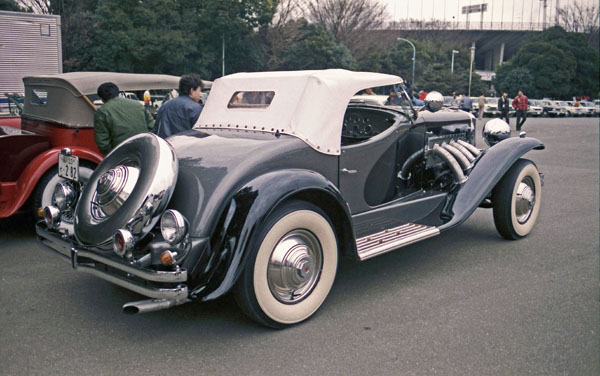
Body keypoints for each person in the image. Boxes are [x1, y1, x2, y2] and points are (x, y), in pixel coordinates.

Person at [93, 82, 154, 155]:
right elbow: (152, 127)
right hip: (145, 149)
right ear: (118, 94)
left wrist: (113, 155)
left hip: (121, 153)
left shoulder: (102, 111)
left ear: (101, 98)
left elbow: (103, 143)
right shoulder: (137, 104)